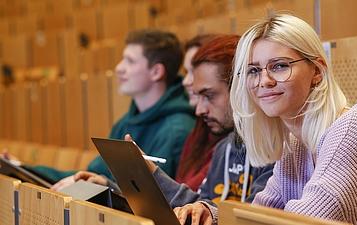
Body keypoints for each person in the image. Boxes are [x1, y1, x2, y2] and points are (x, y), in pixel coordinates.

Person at [178, 14, 357, 225]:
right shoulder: (295, 144)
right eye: (254, 70)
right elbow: (261, 214)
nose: (264, 81)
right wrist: (211, 215)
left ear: (318, 71)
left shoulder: (354, 129)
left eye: (279, 66)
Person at [72, 35, 274, 214]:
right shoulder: (225, 147)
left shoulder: (275, 150)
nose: (199, 110)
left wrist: (151, 175)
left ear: (239, 90)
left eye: (209, 96)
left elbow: (244, 218)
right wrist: (112, 188)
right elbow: (197, 207)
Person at [32, 29, 196, 189]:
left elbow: (155, 200)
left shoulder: (177, 130)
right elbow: (91, 175)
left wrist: (100, 185)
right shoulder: (124, 123)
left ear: (156, 72)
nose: (119, 67)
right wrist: (22, 168)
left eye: (130, 61)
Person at [175, 34, 226, 191]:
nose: (187, 81)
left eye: (194, 71)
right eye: (187, 72)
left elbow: (188, 196)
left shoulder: (232, 143)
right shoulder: (198, 130)